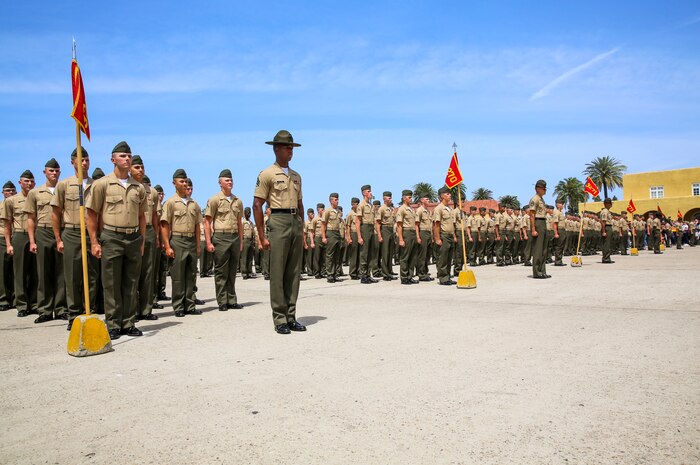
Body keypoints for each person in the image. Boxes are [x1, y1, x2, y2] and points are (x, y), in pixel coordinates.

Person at [86, 141, 147, 340]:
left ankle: (128, 323)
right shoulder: (102, 184)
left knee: (130, 281)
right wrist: (94, 242)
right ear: (113, 159)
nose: (127, 159)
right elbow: (92, 214)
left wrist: (142, 241)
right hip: (111, 237)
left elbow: (141, 217)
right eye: (122, 156)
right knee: (111, 282)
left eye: (129, 155)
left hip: (133, 237)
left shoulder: (138, 187)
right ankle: (113, 323)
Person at [252, 130, 306, 335]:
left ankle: (291, 316)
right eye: (286, 147)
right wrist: (262, 235)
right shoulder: (267, 174)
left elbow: (300, 204)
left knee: (293, 273)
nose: (290, 151)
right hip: (278, 221)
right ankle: (280, 318)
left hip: (294, 222)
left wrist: (302, 225)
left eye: (292, 147)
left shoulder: (296, 176)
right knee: (277, 273)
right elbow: (257, 205)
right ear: (276, 149)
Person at [51, 147, 97, 330]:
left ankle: (90, 310)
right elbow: (55, 213)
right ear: (73, 162)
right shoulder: (64, 185)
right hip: (71, 232)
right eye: (80, 159)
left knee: (92, 275)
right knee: (72, 275)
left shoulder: (97, 184)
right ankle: (74, 314)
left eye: (86, 159)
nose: (84, 163)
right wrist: (58, 239)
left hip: (91, 233)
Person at [24, 159, 67, 323]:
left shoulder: (63, 190)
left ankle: (61, 308)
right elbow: (30, 218)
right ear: (44, 172)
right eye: (51, 171)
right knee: (43, 271)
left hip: (62, 231)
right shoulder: (35, 193)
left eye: (56, 171)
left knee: (61, 272)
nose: (54, 173)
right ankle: (46, 310)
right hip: (43, 231)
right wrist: (32, 241)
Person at [160, 170, 202, 317]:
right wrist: (167, 246)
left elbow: (198, 226)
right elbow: (164, 225)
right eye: (181, 181)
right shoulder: (171, 203)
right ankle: (178, 306)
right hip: (177, 240)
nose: (184, 184)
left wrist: (197, 245)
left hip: (191, 241)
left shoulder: (194, 204)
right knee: (178, 276)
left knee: (191, 275)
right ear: (174, 183)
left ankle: (189, 305)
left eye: (185, 181)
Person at [205, 169, 244, 311]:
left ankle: (232, 300)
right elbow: (207, 222)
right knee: (221, 271)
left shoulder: (237, 201)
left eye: (231, 180)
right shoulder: (215, 200)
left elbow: (240, 222)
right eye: (227, 180)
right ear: (219, 182)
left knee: (233, 270)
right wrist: (208, 242)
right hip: (221, 238)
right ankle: (222, 301)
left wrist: (241, 241)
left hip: (234, 237)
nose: (230, 182)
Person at [128, 156, 160, 321]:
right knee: (132, 273)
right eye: (137, 167)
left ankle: (146, 309)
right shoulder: (126, 187)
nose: (140, 170)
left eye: (142, 167)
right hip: (131, 231)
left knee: (148, 272)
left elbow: (155, 216)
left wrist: (156, 236)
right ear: (130, 169)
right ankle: (131, 310)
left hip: (148, 232)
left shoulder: (151, 192)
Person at [4, 170, 38, 317]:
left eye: (31, 181)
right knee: (20, 272)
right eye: (26, 181)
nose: (29, 184)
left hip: (36, 236)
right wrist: (8, 244)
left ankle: (35, 303)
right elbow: (7, 224)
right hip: (19, 235)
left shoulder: (37, 196)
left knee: (36, 272)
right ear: (20, 183)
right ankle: (22, 305)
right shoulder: (11, 201)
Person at [433, 186, 455, 285]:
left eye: (449, 193)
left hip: (450, 235)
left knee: (449, 258)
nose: (449, 195)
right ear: (441, 196)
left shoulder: (449, 209)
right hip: (443, 235)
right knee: (443, 258)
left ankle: (448, 276)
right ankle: (443, 278)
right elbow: (436, 225)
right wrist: (437, 238)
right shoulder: (439, 209)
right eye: (447, 194)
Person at [396, 189, 419, 285]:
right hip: (406, 233)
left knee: (413, 256)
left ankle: (410, 276)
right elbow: (399, 225)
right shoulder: (402, 209)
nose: (411, 199)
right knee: (405, 256)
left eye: (411, 197)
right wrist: (401, 239)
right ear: (404, 198)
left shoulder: (411, 209)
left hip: (413, 233)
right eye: (409, 197)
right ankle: (404, 277)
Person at [0, 181, 17, 311]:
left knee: (17, 270)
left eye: (12, 191)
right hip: (1, 239)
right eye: (7, 191)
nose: (10, 193)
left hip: (16, 237)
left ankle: (16, 298)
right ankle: (4, 299)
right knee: (3, 270)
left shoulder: (18, 203)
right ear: (3, 193)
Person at [356, 185, 377, 284]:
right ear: (364, 193)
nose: (370, 193)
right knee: (364, 253)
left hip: (370, 228)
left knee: (370, 253)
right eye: (368, 191)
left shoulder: (371, 205)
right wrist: (359, 236)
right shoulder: (361, 205)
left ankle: (368, 274)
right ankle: (363, 275)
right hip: (364, 228)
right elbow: (358, 222)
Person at [528, 180, 550, 279]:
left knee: (544, 249)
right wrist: (533, 229)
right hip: (538, 222)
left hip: (543, 222)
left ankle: (542, 271)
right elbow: (532, 215)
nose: (545, 190)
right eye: (543, 188)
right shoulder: (535, 199)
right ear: (538, 188)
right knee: (538, 249)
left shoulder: (541, 199)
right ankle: (537, 272)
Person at [321, 193, 342, 283]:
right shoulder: (327, 211)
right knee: (330, 255)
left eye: (337, 199)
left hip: (337, 233)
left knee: (336, 256)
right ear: (331, 200)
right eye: (335, 199)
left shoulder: (338, 211)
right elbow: (323, 224)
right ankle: (329, 275)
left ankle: (334, 274)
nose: (337, 201)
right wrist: (323, 237)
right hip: (330, 232)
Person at [376, 192, 396, 280]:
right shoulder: (381, 209)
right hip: (384, 229)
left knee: (390, 252)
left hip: (391, 230)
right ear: (384, 199)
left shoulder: (391, 209)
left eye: (391, 197)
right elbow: (378, 223)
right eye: (389, 197)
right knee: (385, 252)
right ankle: (385, 273)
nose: (390, 199)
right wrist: (379, 235)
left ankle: (389, 271)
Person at [414, 195, 434, 281]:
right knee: (422, 255)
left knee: (427, 255)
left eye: (428, 199)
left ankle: (425, 272)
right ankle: (421, 273)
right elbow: (416, 225)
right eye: (426, 199)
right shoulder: (419, 211)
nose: (428, 200)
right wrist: (418, 236)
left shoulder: (428, 211)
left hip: (428, 233)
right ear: (422, 200)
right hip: (422, 232)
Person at [345, 197, 360, 280]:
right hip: (353, 233)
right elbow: (347, 227)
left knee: (359, 254)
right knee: (353, 255)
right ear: (352, 204)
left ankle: (358, 271)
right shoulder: (350, 214)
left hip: (359, 234)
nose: (356, 205)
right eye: (354, 204)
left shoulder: (359, 213)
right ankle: (353, 273)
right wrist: (349, 237)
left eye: (357, 204)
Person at [240, 207, 256, 279]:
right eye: (247, 212)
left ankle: (249, 272)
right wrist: (241, 242)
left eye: (250, 213)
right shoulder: (242, 222)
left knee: (250, 257)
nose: (249, 214)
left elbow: (253, 233)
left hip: (250, 240)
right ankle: (244, 273)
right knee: (244, 257)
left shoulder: (251, 223)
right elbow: (240, 233)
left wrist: (254, 242)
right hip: (244, 240)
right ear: (244, 213)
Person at [599, 198, 614, 264]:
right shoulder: (605, 211)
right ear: (607, 204)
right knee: (606, 244)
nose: (611, 205)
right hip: (606, 227)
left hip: (608, 227)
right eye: (610, 204)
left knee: (608, 244)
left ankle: (607, 257)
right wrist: (604, 231)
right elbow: (603, 222)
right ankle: (606, 258)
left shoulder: (607, 211)